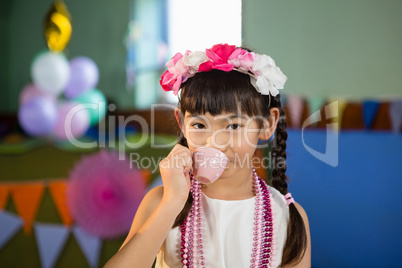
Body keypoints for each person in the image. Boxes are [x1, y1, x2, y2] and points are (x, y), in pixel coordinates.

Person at [105, 44, 311, 268]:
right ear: (182, 124)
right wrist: (172, 203)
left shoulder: (287, 216)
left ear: (268, 124)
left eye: (233, 125)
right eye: (199, 125)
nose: (215, 143)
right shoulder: (160, 202)